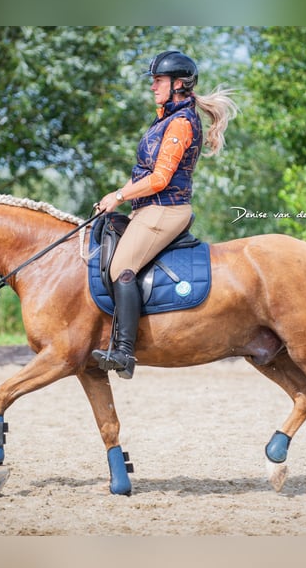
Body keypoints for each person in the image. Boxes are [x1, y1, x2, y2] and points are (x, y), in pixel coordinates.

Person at [91, 50, 239, 379]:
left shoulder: (182, 123)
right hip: (149, 207)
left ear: (178, 85)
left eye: (158, 81)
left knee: (121, 267)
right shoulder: (164, 121)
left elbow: (159, 179)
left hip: (167, 209)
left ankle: (125, 352)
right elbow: (143, 174)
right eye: (154, 81)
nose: (153, 86)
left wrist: (119, 195)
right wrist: (114, 197)